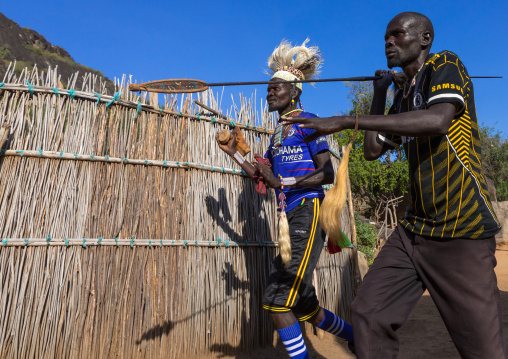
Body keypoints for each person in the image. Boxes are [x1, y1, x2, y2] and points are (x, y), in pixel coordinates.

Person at [283, 12, 506, 359]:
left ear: (424, 39)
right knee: (369, 315)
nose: (388, 42)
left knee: (484, 350)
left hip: (461, 229)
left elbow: (436, 120)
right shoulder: (403, 97)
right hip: (414, 230)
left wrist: (346, 119)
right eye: (385, 37)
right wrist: (380, 93)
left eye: (397, 34)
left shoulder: (446, 65)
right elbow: (372, 150)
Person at [216, 39, 354, 359]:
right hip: (288, 218)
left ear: (294, 92)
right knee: (305, 305)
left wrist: (284, 181)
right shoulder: (276, 136)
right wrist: (234, 153)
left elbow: (327, 174)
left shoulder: (308, 123)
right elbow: (259, 173)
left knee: (278, 301)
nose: (270, 92)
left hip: (308, 210)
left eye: (276, 87)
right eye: (268, 88)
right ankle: (355, 335)